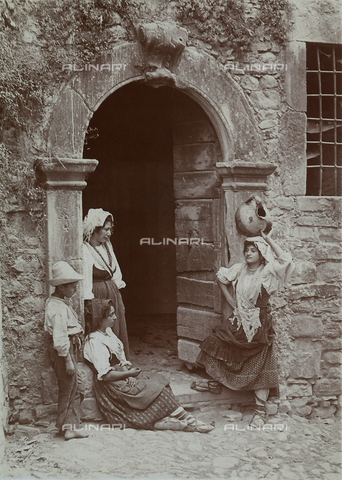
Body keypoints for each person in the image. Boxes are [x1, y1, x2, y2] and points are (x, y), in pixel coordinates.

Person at [196, 230, 295, 427]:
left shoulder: (267, 272)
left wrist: (267, 238)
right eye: (247, 250)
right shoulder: (240, 269)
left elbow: (285, 260)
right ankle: (217, 382)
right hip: (239, 320)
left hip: (259, 324)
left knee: (261, 366)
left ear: (262, 253)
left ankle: (259, 412)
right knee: (215, 342)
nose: (248, 253)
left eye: (253, 250)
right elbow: (222, 279)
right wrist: (232, 302)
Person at [83, 299, 214, 433]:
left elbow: (120, 360)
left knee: (159, 380)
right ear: (99, 320)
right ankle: (191, 422)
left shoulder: (108, 332)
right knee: (156, 390)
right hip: (112, 386)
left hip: (122, 376)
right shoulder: (95, 342)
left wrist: (128, 372)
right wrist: (128, 375)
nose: (115, 317)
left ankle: (167, 420)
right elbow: (106, 375)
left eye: (114, 313)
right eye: (111, 315)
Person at [44, 261, 89, 440]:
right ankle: (67, 427)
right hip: (64, 352)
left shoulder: (59, 302)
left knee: (76, 388)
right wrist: (68, 359)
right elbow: (61, 337)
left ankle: (71, 425)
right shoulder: (57, 308)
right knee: (69, 389)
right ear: (61, 287)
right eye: (72, 287)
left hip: (68, 350)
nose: (75, 290)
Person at [83, 208, 130, 358]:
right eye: (106, 229)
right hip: (98, 296)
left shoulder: (107, 246)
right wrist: (89, 301)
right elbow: (85, 277)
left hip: (112, 293)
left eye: (110, 229)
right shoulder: (85, 249)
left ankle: (120, 364)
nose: (109, 233)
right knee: (101, 329)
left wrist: (116, 288)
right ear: (95, 230)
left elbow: (115, 270)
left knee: (116, 327)